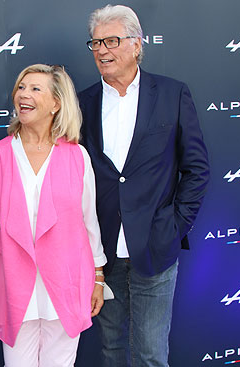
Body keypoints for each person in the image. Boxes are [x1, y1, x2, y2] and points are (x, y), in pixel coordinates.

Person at [78, 5, 210, 367]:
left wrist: (175, 225)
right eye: (95, 43)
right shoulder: (80, 103)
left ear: (137, 45)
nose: (102, 50)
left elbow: (197, 169)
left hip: (155, 245)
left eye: (112, 41)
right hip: (101, 252)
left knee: (151, 354)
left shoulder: (171, 94)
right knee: (110, 350)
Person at [0, 64, 108, 367]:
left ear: (56, 104)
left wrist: (98, 276)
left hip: (66, 282)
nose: (24, 95)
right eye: (21, 87)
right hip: (13, 283)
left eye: (35, 89)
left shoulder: (77, 156)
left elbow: (89, 222)